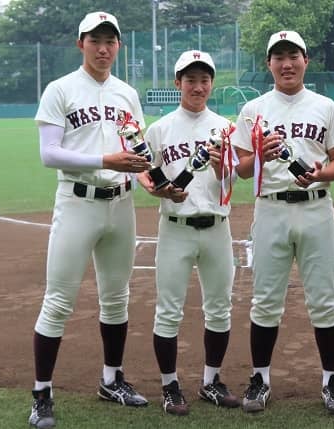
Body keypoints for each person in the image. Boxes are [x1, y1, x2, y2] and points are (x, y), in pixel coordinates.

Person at [29, 11, 149, 429]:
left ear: (118, 46)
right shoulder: (60, 89)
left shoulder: (127, 94)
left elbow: (138, 148)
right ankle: (42, 394)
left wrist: (151, 176)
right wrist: (105, 160)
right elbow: (49, 154)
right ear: (80, 43)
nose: (103, 48)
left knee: (116, 298)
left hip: (121, 203)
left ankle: (112, 380)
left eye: (110, 41)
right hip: (77, 202)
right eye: (95, 40)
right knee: (58, 301)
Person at [230, 30, 334, 414]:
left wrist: (320, 174)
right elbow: (241, 170)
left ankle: (332, 381)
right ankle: (260, 379)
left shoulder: (325, 107)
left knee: (325, 301)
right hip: (271, 209)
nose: (286, 64)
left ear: (305, 60)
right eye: (278, 57)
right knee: (265, 301)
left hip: (316, 209)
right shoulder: (253, 110)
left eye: (293, 56)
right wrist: (260, 157)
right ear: (269, 64)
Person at [137, 50, 240, 416]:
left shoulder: (226, 128)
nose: (198, 86)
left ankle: (211, 381)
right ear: (177, 82)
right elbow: (146, 173)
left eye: (204, 80)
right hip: (176, 228)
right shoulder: (160, 129)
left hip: (216, 228)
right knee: (168, 311)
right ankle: (170, 386)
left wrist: (223, 167)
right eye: (191, 80)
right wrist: (160, 190)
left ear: (212, 83)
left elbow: (232, 180)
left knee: (220, 309)